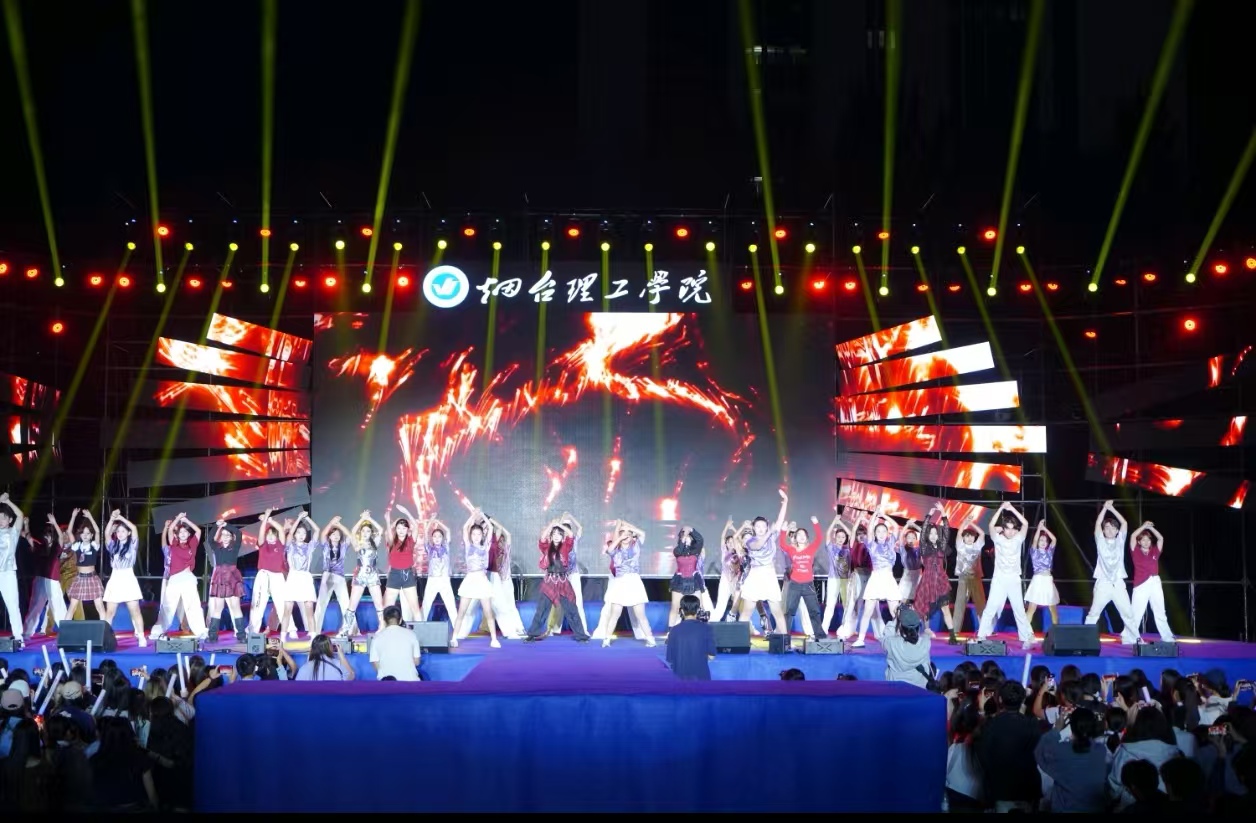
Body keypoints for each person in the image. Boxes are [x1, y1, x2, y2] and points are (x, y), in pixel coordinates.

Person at [975, 680, 1043, 812]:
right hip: (1028, 789)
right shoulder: (1032, 724)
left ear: (1000, 699)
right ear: (1022, 700)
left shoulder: (991, 725)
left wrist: (982, 713)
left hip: (1001, 789)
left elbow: (983, 756)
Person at [975, 502, 1035, 650]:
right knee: (990, 608)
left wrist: (1012, 508)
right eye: (1007, 528)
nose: (1010, 531)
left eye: (1013, 528)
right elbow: (991, 525)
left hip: (1014, 579)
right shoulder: (998, 539)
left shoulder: (1018, 539)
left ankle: (1026, 638)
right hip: (999, 579)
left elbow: (1025, 523)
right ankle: (981, 636)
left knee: (1019, 610)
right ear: (1003, 529)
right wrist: (1001, 508)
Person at [1033, 706, 1110, 813]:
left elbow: (1040, 752)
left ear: (1071, 727)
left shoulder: (1061, 751)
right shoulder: (1101, 751)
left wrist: (1057, 729)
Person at [736, 489, 791, 637]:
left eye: (763, 526)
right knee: (747, 611)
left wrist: (785, 502)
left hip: (769, 575)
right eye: (758, 526)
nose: (761, 529)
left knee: (777, 610)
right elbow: (758, 545)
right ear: (754, 528)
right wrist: (769, 532)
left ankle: (784, 640)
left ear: (766, 526)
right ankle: (739, 640)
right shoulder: (750, 540)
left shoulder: (771, 536)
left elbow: (779, 520)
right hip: (755, 576)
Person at [525, 520, 589, 642]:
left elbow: (571, 535)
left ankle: (581, 635)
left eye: (559, 534)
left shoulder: (566, 546)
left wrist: (559, 525)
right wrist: (551, 525)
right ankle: (532, 634)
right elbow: (542, 538)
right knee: (541, 610)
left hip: (563, 582)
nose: (556, 536)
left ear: (562, 537)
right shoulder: (546, 547)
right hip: (549, 582)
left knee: (572, 609)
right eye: (553, 534)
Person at [1085, 500, 1140, 644]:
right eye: (1107, 528)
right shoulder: (1100, 541)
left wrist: (1112, 509)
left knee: (1128, 613)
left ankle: (1135, 639)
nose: (1110, 530)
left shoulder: (1120, 541)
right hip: (1103, 583)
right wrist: (1104, 508)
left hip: (1118, 583)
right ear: (1103, 531)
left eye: (1113, 528)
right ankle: (1084, 640)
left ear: (1117, 531)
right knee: (1094, 613)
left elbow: (1124, 523)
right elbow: (1098, 523)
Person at [1108, 704, 1182, 808]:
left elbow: (1114, 788)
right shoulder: (1174, 752)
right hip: (1167, 805)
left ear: (1137, 725)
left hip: (1131, 805)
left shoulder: (1125, 751)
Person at [448, 509, 501, 648]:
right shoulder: (468, 545)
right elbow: (465, 527)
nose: (476, 536)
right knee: (462, 611)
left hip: (482, 581)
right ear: (471, 535)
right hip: (470, 580)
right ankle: (454, 638)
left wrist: (482, 515)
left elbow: (490, 528)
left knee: (488, 612)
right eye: (474, 534)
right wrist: (473, 515)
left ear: (482, 535)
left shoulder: (485, 546)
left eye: (479, 534)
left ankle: (494, 639)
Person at [600, 520, 656, 647]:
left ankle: (650, 639)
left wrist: (628, 527)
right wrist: (620, 537)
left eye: (628, 534)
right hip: (620, 582)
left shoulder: (636, 546)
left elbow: (642, 533)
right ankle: (607, 640)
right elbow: (609, 550)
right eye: (622, 533)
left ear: (632, 536)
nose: (625, 536)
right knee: (615, 613)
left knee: (640, 614)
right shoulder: (615, 549)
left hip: (634, 582)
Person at [852, 505, 900, 648]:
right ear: (875, 533)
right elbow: (870, 528)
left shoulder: (891, 542)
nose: (881, 533)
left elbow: (895, 526)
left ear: (887, 533)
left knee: (895, 611)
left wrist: (883, 515)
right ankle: (860, 639)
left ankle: (900, 637)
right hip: (876, 578)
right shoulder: (871, 544)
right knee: (868, 610)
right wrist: (874, 515)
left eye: (884, 531)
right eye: (878, 531)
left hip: (889, 578)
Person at [155, 513, 208, 643]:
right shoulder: (174, 544)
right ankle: (158, 630)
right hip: (174, 578)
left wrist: (186, 520)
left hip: (188, 577)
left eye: (185, 532)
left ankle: (200, 630)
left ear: (188, 534)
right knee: (167, 606)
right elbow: (171, 530)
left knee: (193, 605)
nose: (183, 534)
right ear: (177, 534)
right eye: (180, 532)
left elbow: (198, 531)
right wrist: (178, 518)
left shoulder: (193, 544)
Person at [913, 503, 957, 643]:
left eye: (935, 533)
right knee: (923, 608)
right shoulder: (924, 547)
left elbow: (947, 531)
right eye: (931, 533)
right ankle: (916, 632)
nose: (933, 535)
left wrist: (943, 513)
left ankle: (952, 636)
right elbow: (923, 532)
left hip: (940, 581)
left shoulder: (941, 546)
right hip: (927, 581)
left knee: (945, 609)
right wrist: (929, 516)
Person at [778, 516, 825, 644]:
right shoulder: (791, 549)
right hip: (795, 584)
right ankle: (785, 637)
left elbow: (819, 538)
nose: (802, 536)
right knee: (789, 611)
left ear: (807, 538)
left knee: (814, 611)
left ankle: (820, 635)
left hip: (808, 585)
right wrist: (783, 530)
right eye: (799, 535)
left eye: (804, 535)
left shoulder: (811, 548)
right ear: (795, 538)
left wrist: (816, 523)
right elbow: (782, 544)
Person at [1128, 521, 1174, 642]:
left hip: (1155, 582)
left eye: (1148, 540)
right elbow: (1133, 536)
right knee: (1136, 612)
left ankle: (1167, 637)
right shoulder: (1135, 550)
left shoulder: (1155, 551)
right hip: (1140, 584)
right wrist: (1143, 526)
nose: (1146, 542)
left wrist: (1151, 528)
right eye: (1143, 540)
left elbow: (1161, 538)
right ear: (1139, 542)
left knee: (1160, 611)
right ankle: (1130, 636)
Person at [23, 514, 68, 638]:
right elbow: (28, 537)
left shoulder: (56, 547)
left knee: (57, 605)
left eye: (48, 535)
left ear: (52, 536)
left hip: (52, 579)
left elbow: (61, 537)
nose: (46, 537)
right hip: (40, 578)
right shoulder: (40, 547)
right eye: (45, 535)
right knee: (35, 606)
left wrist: (54, 523)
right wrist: (26, 524)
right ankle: (27, 632)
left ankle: (67, 632)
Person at [205, 518, 247, 643]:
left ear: (231, 537)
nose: (225, 537)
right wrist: (216, 526)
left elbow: (238, 533)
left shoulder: (235, 547)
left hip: (232, 577)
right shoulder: (216, 547)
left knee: (235, 606)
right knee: (218, 607)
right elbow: (210, 539)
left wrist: (226, 525)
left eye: (228, 535)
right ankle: (212, 635)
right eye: (223, 535)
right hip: (220, 578)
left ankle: (241, 635)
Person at [342, 512, 384, 636]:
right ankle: (345, 630)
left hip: (373, 576)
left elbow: (381, 529)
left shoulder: (375, 543)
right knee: (352, 605)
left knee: (379, 605)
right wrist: (362, 519)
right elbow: (352, 531)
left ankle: (382, 628)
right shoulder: (358, 544)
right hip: (360, 576)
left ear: (371, 533)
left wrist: (369, 518)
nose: (365, 533)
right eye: (363, 531)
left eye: (368, 531)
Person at [549, 512, 590, 636]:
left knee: (578, 602)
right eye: (564, 530)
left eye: (568, 529)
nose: (566, 532)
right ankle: (555, 629)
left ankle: (583, 630)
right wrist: (561, 521)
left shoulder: (574, 540)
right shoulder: (558, 543)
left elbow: (580, 528)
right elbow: (552, 531)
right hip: (561, 576)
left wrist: (570, 517)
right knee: (559, 602)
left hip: (573, 575)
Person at [280, 512, 319, 640]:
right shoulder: (290, 546)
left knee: (309, 610)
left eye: (304, 533)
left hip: (306, 578)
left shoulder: (309, 547)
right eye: (299, 533)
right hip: (293, 577)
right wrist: (299, 518)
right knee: (287, 610)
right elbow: (290, 534)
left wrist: (307, 518)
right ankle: (283, 638)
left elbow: (317, 530)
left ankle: (313, 637)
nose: (301, 535)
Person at [248, 509, 287, 634]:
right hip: (263, 575)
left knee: (281, 603)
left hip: (277, 576)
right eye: (268, 534)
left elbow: (281, 530)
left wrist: (270, 519)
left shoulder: (280, 544)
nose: (270, 536)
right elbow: (261, 533)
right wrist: (265, 519)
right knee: (258, 603)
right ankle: (253, 630)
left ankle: (288, 630)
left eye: (272, 534)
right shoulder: (263, 544)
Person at [65, 509, 106, 626]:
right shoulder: (77, 546)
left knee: (100, 606)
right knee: (72, 607)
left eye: (88, 533)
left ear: (91, 535)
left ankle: (104, 630)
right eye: (83, 533)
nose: (85, 535)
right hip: (80, 579)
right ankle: (65, 631)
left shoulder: (94, 546)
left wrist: (90, 516)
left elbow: (98, 531)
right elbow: (69, 532)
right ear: (80, 535)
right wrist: (73, 516)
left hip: (92, 579)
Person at [312, 516, 352, 637]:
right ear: (329, 536)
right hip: (327, 576)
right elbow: (323, 534)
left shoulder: (343, 546)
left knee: (345, 603)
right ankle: (315, 631)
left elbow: (350, 536)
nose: (336, 536)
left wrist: (339, 525)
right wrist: (331, 523)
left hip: (339, 577)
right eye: (333, 534)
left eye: (338, 534)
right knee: (321, 604)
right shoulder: (325, 545)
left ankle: (350, 629)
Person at [383, 508, 423, 626]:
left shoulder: (411, 540)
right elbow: (387, 532)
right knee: (387, 609)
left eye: (404, 528)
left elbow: (416, 527)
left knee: (415, 609)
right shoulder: (392, 541)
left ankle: (421, 634)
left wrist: (407, 512)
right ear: (395, 529)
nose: (401, 531)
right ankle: (384, 631)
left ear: (407, 530)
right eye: (399, 528)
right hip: (394, 575)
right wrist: (389, 521)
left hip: (407, 575)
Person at [819, 516, 855, 639]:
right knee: (830, 604)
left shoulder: (848, 549)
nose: (840, 539)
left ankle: (846, 628)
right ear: (835, 537)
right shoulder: (831, 548)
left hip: (846, 580)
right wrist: (834, 521)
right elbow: (827, 534)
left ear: (846, 538)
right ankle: (824, 628)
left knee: (846, 605)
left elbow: (851, 534)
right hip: (833, 579)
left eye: (843, 537)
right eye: (838, 537)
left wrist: (841, 523)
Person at [664, 594, 715, 680]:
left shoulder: (674, 630)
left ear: (682, 611)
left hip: (680, 680)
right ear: (698, 610)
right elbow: (711, 656)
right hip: (702, 679)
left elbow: (670, 658)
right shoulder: (707, 628)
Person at [951, 517, 987, 637]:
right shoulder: (960, 546)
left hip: (976, 578)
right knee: (960, 603)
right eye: (967, 536)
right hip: (963, 578)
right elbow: (958, 533)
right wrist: (964, 523)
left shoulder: (977, 546)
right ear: (964, 538)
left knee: (981, 603)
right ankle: (955, 630)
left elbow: (982, 533)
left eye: (971, 536)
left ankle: (985, 629)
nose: (970, 538)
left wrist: (971, 523)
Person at [882, 605, 933, 688]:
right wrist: (912, 615)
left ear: (900, 627)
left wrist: (896, 619)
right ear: (918, 627)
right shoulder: (925, 642)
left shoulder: (892, 643)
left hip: (895, 688)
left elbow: (886, 637)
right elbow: (925, 634)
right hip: (919, 688)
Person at [417, 516, 456, 624]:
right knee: (426, 604)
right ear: (432, 538)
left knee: (451, 605)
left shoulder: (446, 547)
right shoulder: (429, 548)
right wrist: (431, 521)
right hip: (432, 580)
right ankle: (420, 627)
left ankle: (457, 630)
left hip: (444, 580)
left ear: (443, 538)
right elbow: (425, 533)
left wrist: (438, 521)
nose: (437, 538)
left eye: (439, 536)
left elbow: (448, 531)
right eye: (434, 536)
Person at [1024, 520, 1060, 632]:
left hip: (1048, 581)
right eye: (1041, 540)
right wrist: (1039, 529)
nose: (1043, 542)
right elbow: (1034, 540)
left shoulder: (1049, 552)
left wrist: (1045, 529)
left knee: (1053, 608)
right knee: (1032, 608)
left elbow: (1054, 539)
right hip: (1038, 580)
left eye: (1045, 540)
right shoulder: (1034, 552)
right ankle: (1025, 632)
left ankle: (1057, 632)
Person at [370, 605, 422, 681]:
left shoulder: (376, 638)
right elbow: (417, 662)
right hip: (410, 682)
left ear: (384, 621)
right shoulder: (411, 634)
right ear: (400, 620)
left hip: (386, 683)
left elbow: (375, 664)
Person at [0, 495, 26, 648]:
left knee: (13, 606)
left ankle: (18, 637)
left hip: (7, 572)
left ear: (10, 520)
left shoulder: (13, 532)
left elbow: (20, 515)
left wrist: (7, 501)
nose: (0, 521)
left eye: (3, 518)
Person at [667, 526, 706, 628]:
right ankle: (671, 631)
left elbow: (700, 540)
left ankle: (702, 630)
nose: (687, 537)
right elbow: (679, 551)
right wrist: (683, 538)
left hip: (694, 580)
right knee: (675, 607)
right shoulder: (677, 550)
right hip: (680, 581)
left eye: (689, 536)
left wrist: (692, 530)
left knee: (700, 607)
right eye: (684, 536)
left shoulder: (695, 550)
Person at [713, 519, 742, 622]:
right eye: (728, 542)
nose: (730, 543)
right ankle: (713, 622)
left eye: (732, 542)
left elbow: (739, 538)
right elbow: (722, 537)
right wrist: (727, 526)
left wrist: (733, 528)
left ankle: (745, 625)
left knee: (738, 606)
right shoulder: (724, 552)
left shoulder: (739, 553)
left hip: (736, 581)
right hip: (725, 580)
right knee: (721, 605)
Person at [896, 521, 923, 603]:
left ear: (916, 539)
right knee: (902, 599)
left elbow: (924, 533)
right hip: (906, 576)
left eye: (913, 538)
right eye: (909, 537)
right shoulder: (903, 550)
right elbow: (901, 536)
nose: (911, 539)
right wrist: (907, 525)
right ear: (905, 539)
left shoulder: (919, 549)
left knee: (918, 600)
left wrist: (913, 525)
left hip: (918, 576)